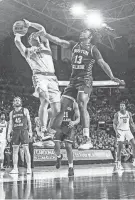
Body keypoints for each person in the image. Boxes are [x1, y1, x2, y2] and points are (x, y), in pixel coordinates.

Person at [40, 28, 124, 150]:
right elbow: (59, 41)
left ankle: (87, 139)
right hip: (73, 81)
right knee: (61, 108)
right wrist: (45, 35)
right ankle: (50, 135)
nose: (81, 32)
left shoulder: (93, 49)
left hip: (85, 80)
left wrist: (112, 76)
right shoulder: (74, 45)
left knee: (81, 103)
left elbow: (102, 63)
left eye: (84, 32)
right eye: (82, 31)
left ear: (90, 36)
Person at [14, 19, 61, 137]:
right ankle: (43, 129)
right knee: (44, 100)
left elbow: (42, 29)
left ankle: (40, 120)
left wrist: (30, 24)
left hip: (52, 78)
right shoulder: (28, 51)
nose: (32, 36)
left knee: (57, 110)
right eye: (30, 37)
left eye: (34, 36)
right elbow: (17, 42)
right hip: (39, 77)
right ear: (29, 41)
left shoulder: (46, 46)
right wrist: (18, 34)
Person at [48, 101, 80, 176]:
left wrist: (74, 122)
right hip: (58, 126)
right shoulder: (57, 103)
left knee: (68, 146)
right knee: (56, 146)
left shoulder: (74, 103)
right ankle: (59, 157)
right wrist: (49, 127)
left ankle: (71, 167)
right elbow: (52, 116)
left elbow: (78, 118)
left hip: (69, 127)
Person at [7, 97, 33, 174]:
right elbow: (11, 124)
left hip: (23, 131)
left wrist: (30, 131)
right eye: (15, 100)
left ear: (21, 102)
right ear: (13, 103)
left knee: (26, 149)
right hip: (15, 132)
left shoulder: (25, 110)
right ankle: (15, 168)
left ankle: (29, 167)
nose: (17, 101)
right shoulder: (11, 113)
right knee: (15, 150)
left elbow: (29, 121)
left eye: (18, 100)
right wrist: (8, 134)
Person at [113, 102, 135, 170]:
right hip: (120, 131)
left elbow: (131, 122)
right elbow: (114, 124)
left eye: (123, 105)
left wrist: (133, 127)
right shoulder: (117, 114)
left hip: (127, 130)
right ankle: (119, 163)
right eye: (120, 105)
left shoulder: (129, 113)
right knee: (120, 147)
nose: (121, 106)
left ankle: (134, 160)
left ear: (125, 107)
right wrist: (116, 132)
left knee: (134, 144)